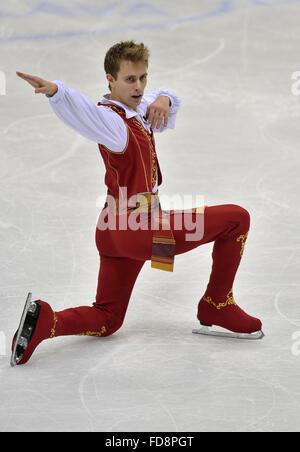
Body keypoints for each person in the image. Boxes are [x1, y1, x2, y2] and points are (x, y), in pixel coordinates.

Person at [11, 40, 263, 366]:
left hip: (113, 229)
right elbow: (84, 113)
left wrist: (163, 97)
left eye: (143, 78)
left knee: (108, 318)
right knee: (237, 219)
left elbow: (166, 97)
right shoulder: (112, 122)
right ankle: (217, 303)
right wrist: (56, 91)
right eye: (130, 79)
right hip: (138, 229)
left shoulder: (135, 109)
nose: (139, 86)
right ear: (110, 80)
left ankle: (46, 320)